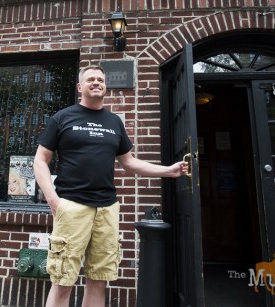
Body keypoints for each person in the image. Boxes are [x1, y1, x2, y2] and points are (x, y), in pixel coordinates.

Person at [33, 64, 189, 307]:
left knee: (99, 279)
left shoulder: (114, 121)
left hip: (107, 209)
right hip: (72, 206)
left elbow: (129, 162)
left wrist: (168, 171)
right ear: (80, 87)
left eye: (100, 80)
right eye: (91, 79)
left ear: (105, 86)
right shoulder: (62, 117)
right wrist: (53, 199)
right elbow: (41, 160)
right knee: (63, 279)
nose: (96, 83)